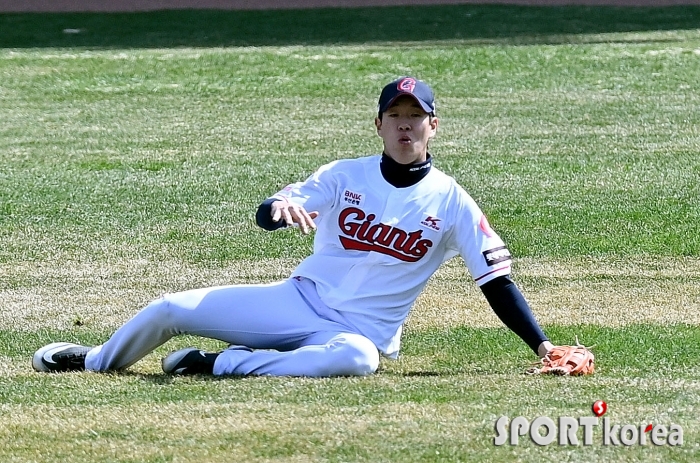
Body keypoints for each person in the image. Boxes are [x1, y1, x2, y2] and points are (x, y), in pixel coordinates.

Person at [32, 76, 554, 377]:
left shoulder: (454, 202)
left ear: (432, 126)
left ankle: (218, 365)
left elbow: (496, 281)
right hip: (297, 300)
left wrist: (543, 346)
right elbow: (271, 210)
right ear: (378, 124)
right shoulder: (342, 174)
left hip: (359, 334)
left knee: (358, 361)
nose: (404, 125)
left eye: (414, 116)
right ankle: (96, 360)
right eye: (394, 115)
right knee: (170, 308)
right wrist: (277, 211)